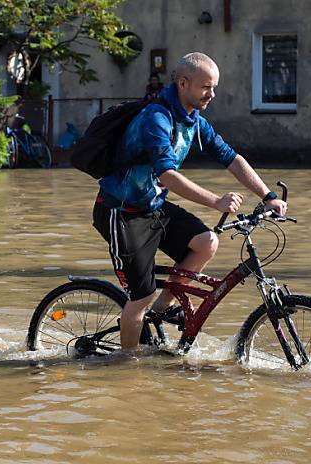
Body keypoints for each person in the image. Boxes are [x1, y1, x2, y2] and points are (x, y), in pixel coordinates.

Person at [92, 52, 287, 353]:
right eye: (206, 87)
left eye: (214, 87)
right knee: (139, 299)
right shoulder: (156, 118)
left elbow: (230, 157)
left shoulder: (194, 121)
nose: (212, 94)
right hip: (121, 212)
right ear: (183, 84)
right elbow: (167, 175)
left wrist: (267, 195)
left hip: (153, 207)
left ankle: (159, 312)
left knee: (207, 242)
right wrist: (216, 201)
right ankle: (127, 368)